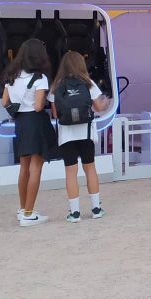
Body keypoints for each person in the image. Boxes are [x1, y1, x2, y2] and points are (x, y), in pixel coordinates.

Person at [49, 51, 111, 222]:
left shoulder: (56, 85)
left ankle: (75, 213)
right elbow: (98, 107)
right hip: (86, 132)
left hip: (66, 135)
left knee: (71, 172)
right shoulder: (88, 83)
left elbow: (55, 114)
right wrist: (105, 103)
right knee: (90, 168)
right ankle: (96, 209)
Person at [1, 38, 54, 226]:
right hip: (35, 122)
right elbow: (39, 106)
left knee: (24, 167)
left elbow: (4, 102)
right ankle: (29, 214)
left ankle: (23, 209)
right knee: (36, 167)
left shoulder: (12, 76)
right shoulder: (40, 78)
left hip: (20, 122)